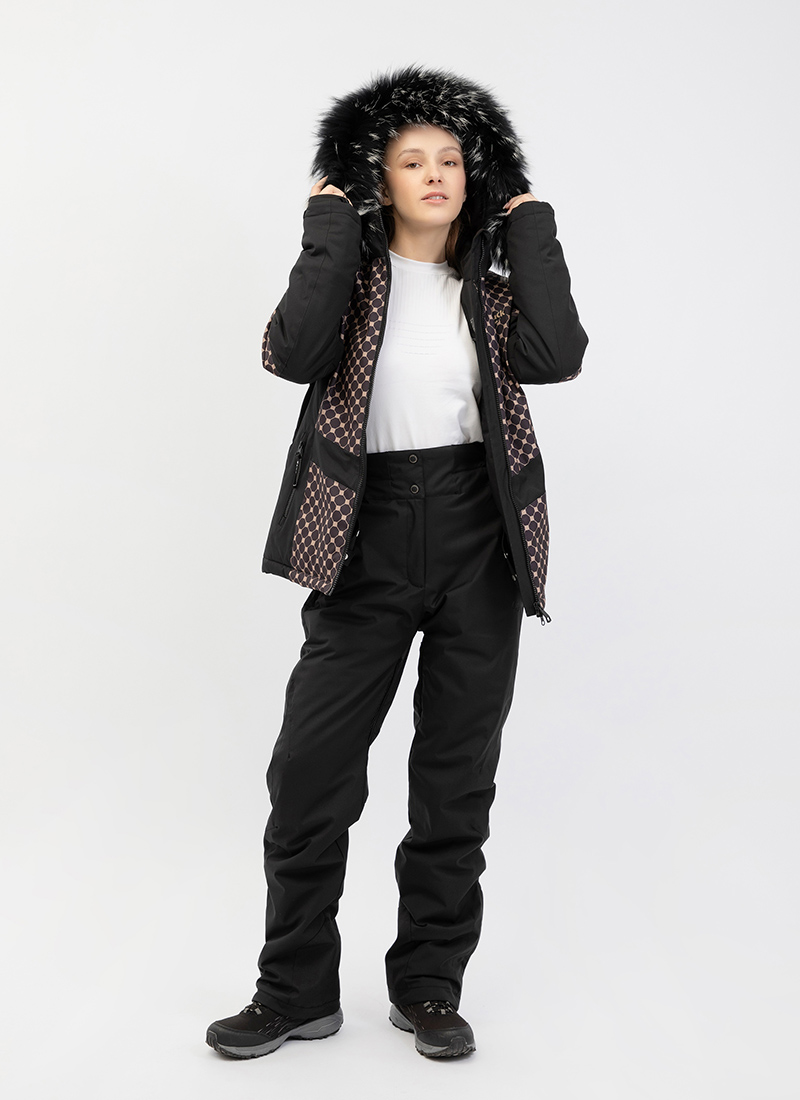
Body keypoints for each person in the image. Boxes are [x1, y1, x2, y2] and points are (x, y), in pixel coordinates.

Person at [206, 64, 588, 1061]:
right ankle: (293, 989)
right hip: (362, 536)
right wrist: (328, 224)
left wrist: (530, 219)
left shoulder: (491, 296)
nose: (434, 174)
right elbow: (291, 352)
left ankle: (427, 986)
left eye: (451, 159)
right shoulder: (350, 286)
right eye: (411, 159)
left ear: (475, 175)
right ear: (376, 176)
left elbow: (558, 354)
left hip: (477, 541)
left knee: (454, 782)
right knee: (309, 773)